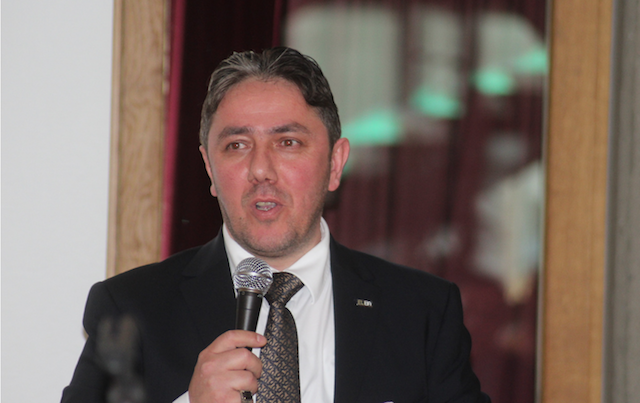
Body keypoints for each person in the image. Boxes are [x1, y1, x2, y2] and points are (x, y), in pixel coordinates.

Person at [61, 47, 490, 403]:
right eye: (237, 145)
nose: (261, 169)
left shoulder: (421, 311)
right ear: (209, 168)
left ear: (335, 163)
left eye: (288, 142)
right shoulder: (131, 309)